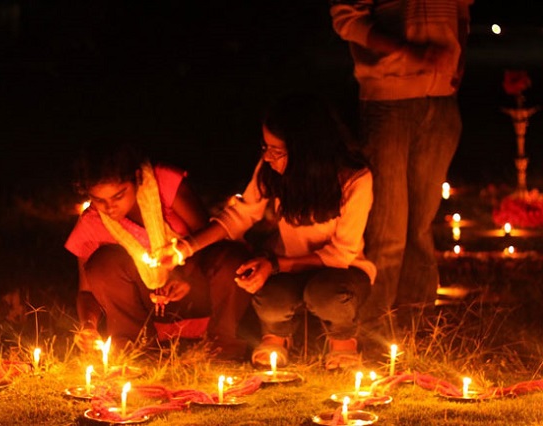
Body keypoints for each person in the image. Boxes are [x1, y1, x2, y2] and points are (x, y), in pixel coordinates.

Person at [158, 93, 376, 369]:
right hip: (286, 267)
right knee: (267, 293)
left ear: (307, 150)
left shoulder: (354, 178)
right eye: (265, 147)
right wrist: (184, 248)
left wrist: (273, 264)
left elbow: (341, 254)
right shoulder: (272, 169)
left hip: (342, 271)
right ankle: (276, 339)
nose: (268, 156)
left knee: (326, 293)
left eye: (277, 150)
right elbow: (240, 214)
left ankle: (343, 343)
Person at [329, 0, 474, 335]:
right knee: (388, 229)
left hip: (441, 97)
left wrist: (459, 60)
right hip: (388, 97)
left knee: (420, 227)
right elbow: (348, 19)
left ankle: (416, 327)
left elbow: (463, 11)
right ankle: (373, 330)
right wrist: (409, 51)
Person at [64, 140, 252, 359]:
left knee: (231, 258)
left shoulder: (162, 183)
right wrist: (88, 326)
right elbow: (86, 291)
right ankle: (137, 350)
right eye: (99, 200)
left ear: (136, 178)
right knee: (102, 264)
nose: (110, 207)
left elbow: (207, 236)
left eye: (118, 195)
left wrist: (181, 273)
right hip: (149, 306)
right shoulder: (92, 223)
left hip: (197, 289)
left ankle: (223, 348)